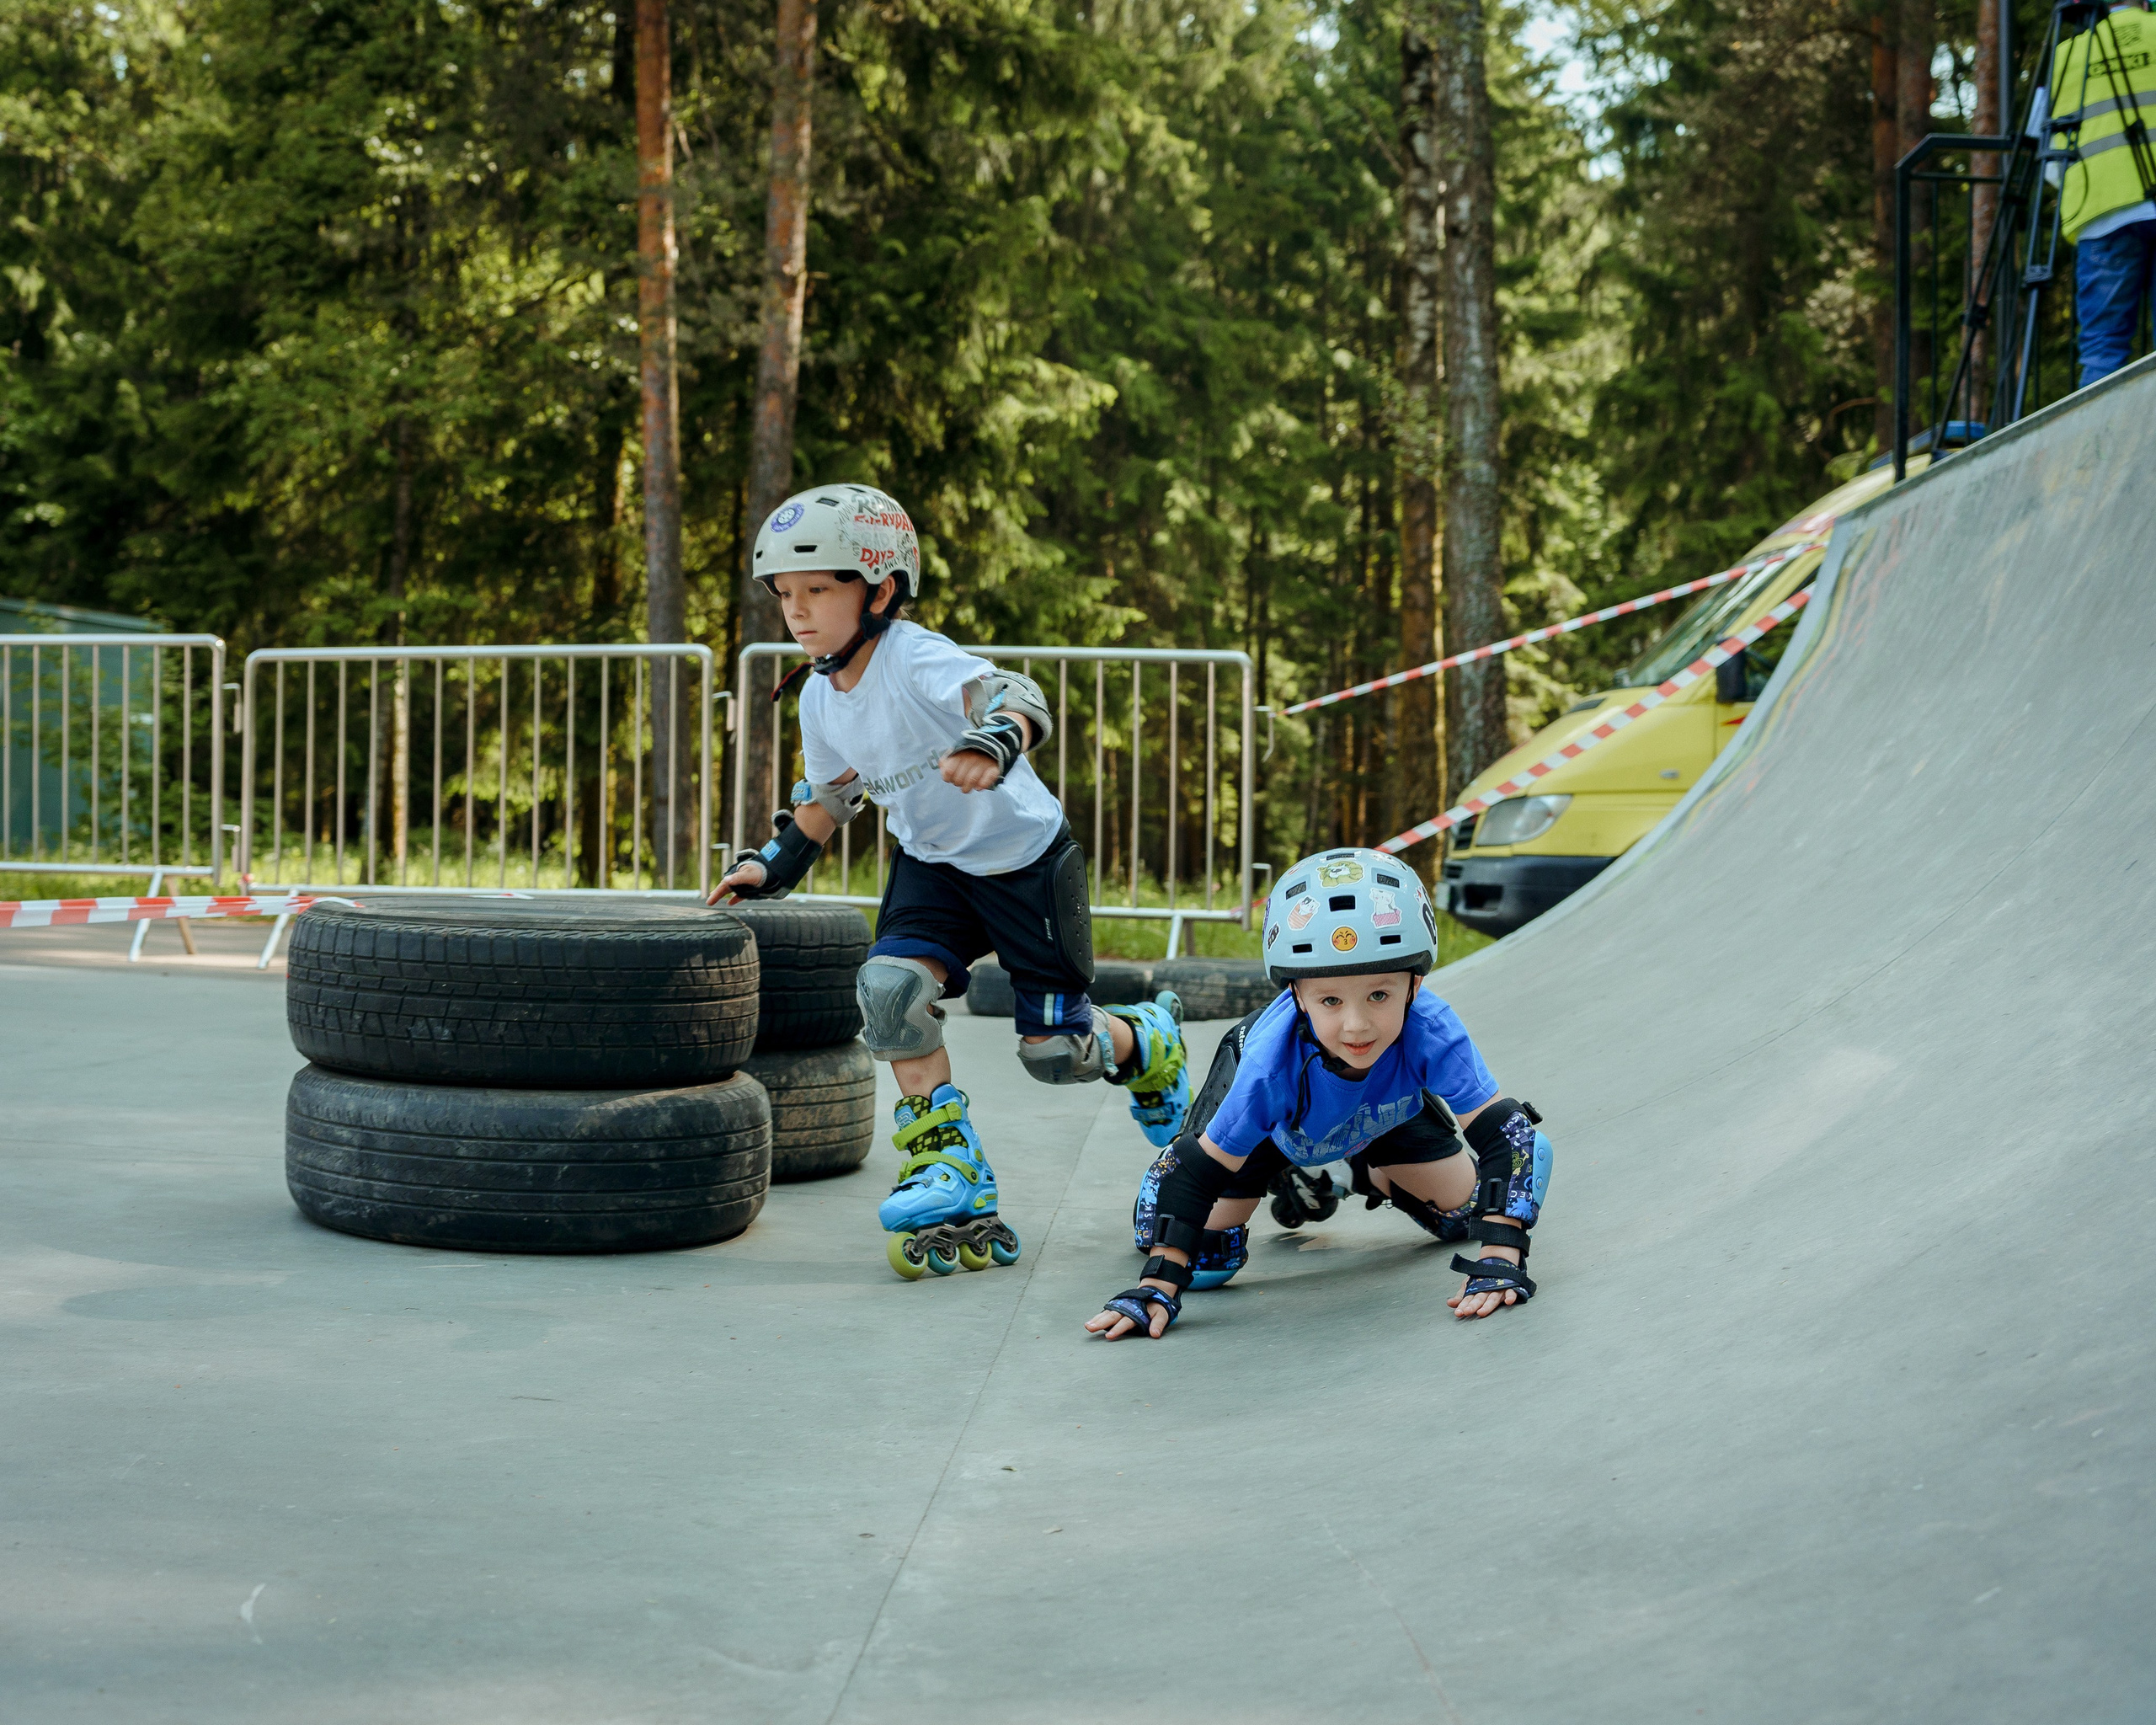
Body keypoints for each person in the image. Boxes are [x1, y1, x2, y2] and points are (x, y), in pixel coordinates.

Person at [709, 483, 1189, 1280]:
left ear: (881, 589)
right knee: (889, 992)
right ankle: (946, 1164)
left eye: (819, 590)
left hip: (1025, 865)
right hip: (932, 868)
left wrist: (997, 739)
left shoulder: (912, 655)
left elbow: (1015, 694)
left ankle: (1148, 1043)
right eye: (785, 595)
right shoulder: (820, 699)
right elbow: (834, 795)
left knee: (1055, 1053)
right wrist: (777, 861)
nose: (797, 612)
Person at [1087, 846, 1550, 1339]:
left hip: (1380, 1117)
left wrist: (1502, 1254)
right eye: (1330, 999)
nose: (1357, 1026)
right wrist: (1159, 1283)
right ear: (1296, 996)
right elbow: (1201, 1175)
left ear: (1415, 983)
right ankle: (1182, 1140)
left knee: (1464, 1213)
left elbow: (1511, 1139)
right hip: (1272, 1125)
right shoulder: (1268, 1065)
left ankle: (1352, 1168)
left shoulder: (1433, 1028)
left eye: (1379, 994)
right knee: (1203, 1264)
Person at [2045, 0, 2156, 385]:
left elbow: (2048, 156)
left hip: (2101, 214)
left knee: (2102, 349)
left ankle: (2100, 446)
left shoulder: (2066, 55)